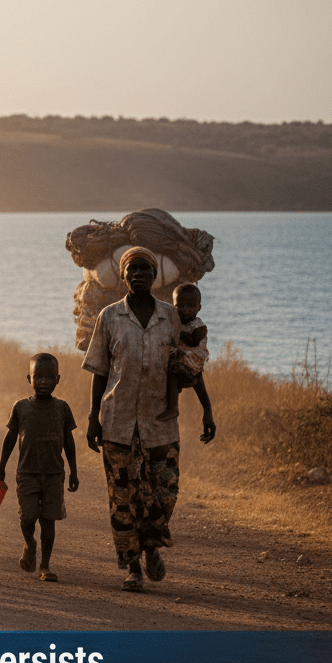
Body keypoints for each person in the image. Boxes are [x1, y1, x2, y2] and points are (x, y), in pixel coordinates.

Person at [83, 247, 216, 592]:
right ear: (124, 276)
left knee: (165, 491)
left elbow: (191, 362)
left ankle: (152, 545)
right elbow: (99, 370)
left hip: (160, 423)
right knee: (123, 498)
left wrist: (206, 410)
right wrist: (93, 417)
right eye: (133, 269)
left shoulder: (172, 317)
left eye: (146, 269)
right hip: (117, 422)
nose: (139, 274)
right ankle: (132, 568)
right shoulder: (109, 317)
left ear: (155, 276)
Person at [0, 354, 79, 582]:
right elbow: (10, 439)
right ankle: (30, 544)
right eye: (38, 376)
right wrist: (1, 469)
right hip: (26, 474)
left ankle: (45, 565)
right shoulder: (21, 407)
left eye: (49, 377)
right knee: (27, 519)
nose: (43, 381)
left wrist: (74, 471)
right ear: (28, 378)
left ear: (58, 379)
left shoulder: (62, 408)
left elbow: (69, 443)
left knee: (48, 520)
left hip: (54, 474)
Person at [158, 283, 213, 422]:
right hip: (182, 357)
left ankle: (173, 408)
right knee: (171, 373)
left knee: (174, 371)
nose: (185, 310)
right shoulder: (175, 322)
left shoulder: (199, 326)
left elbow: (193, 341)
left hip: (193, 359)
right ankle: (183, 388)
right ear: (173, 305)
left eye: (190, 306)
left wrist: (179, 333)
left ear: (198, 308)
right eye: (180, 306)